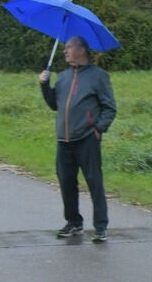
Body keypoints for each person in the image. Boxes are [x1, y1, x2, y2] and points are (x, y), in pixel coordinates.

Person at [39, 36, 116, 242]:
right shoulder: (63, 77)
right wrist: (45, 85)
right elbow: (55, 104)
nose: (65, 51)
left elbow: (109, 107)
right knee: (66, 182)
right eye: (64, 48)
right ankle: (74, 222)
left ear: (82, 50)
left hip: (87, 138)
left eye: (69, 47)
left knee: (94, 182)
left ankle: (101, 226)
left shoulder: (98, 76)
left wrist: (99, 129)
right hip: (63, 140)